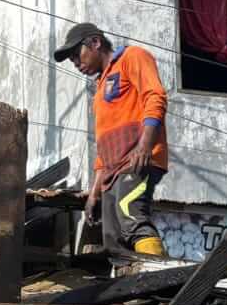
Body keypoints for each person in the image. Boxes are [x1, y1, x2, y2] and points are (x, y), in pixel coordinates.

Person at [54, 23, 170, 258]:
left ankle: (158, 273)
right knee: (112, 238)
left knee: (131, 214)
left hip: (137, 160)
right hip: (110, 172)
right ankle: (133, 287)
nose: (76, 64)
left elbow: (155, 97)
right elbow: (102, 146)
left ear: (95, 43)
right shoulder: (99, 91)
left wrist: (144, 147)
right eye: (73, 61)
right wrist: (94, 193)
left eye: (78, 55)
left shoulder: (132, 57)